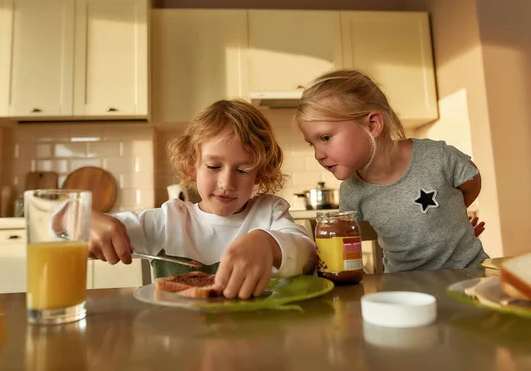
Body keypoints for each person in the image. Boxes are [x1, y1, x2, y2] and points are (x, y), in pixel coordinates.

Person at [87, 99, 316, 299]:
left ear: (260, 174)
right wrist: (87, 222)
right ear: (191, 167)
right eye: (214, 166)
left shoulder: (269, 213)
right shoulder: (168, 221)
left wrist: (269, 244)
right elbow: (58, 227)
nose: (227, 183)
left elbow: (307, 253)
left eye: (244, 169)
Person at [295, 69, 488, 273]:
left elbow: (472, 182)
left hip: (468, 275)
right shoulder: (351, 191)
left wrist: (453, 219)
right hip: (404, 287)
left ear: (372, 125)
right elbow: (348, 245)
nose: (318, 155)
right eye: (312, 144)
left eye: (325, 138)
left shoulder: (438, 156)